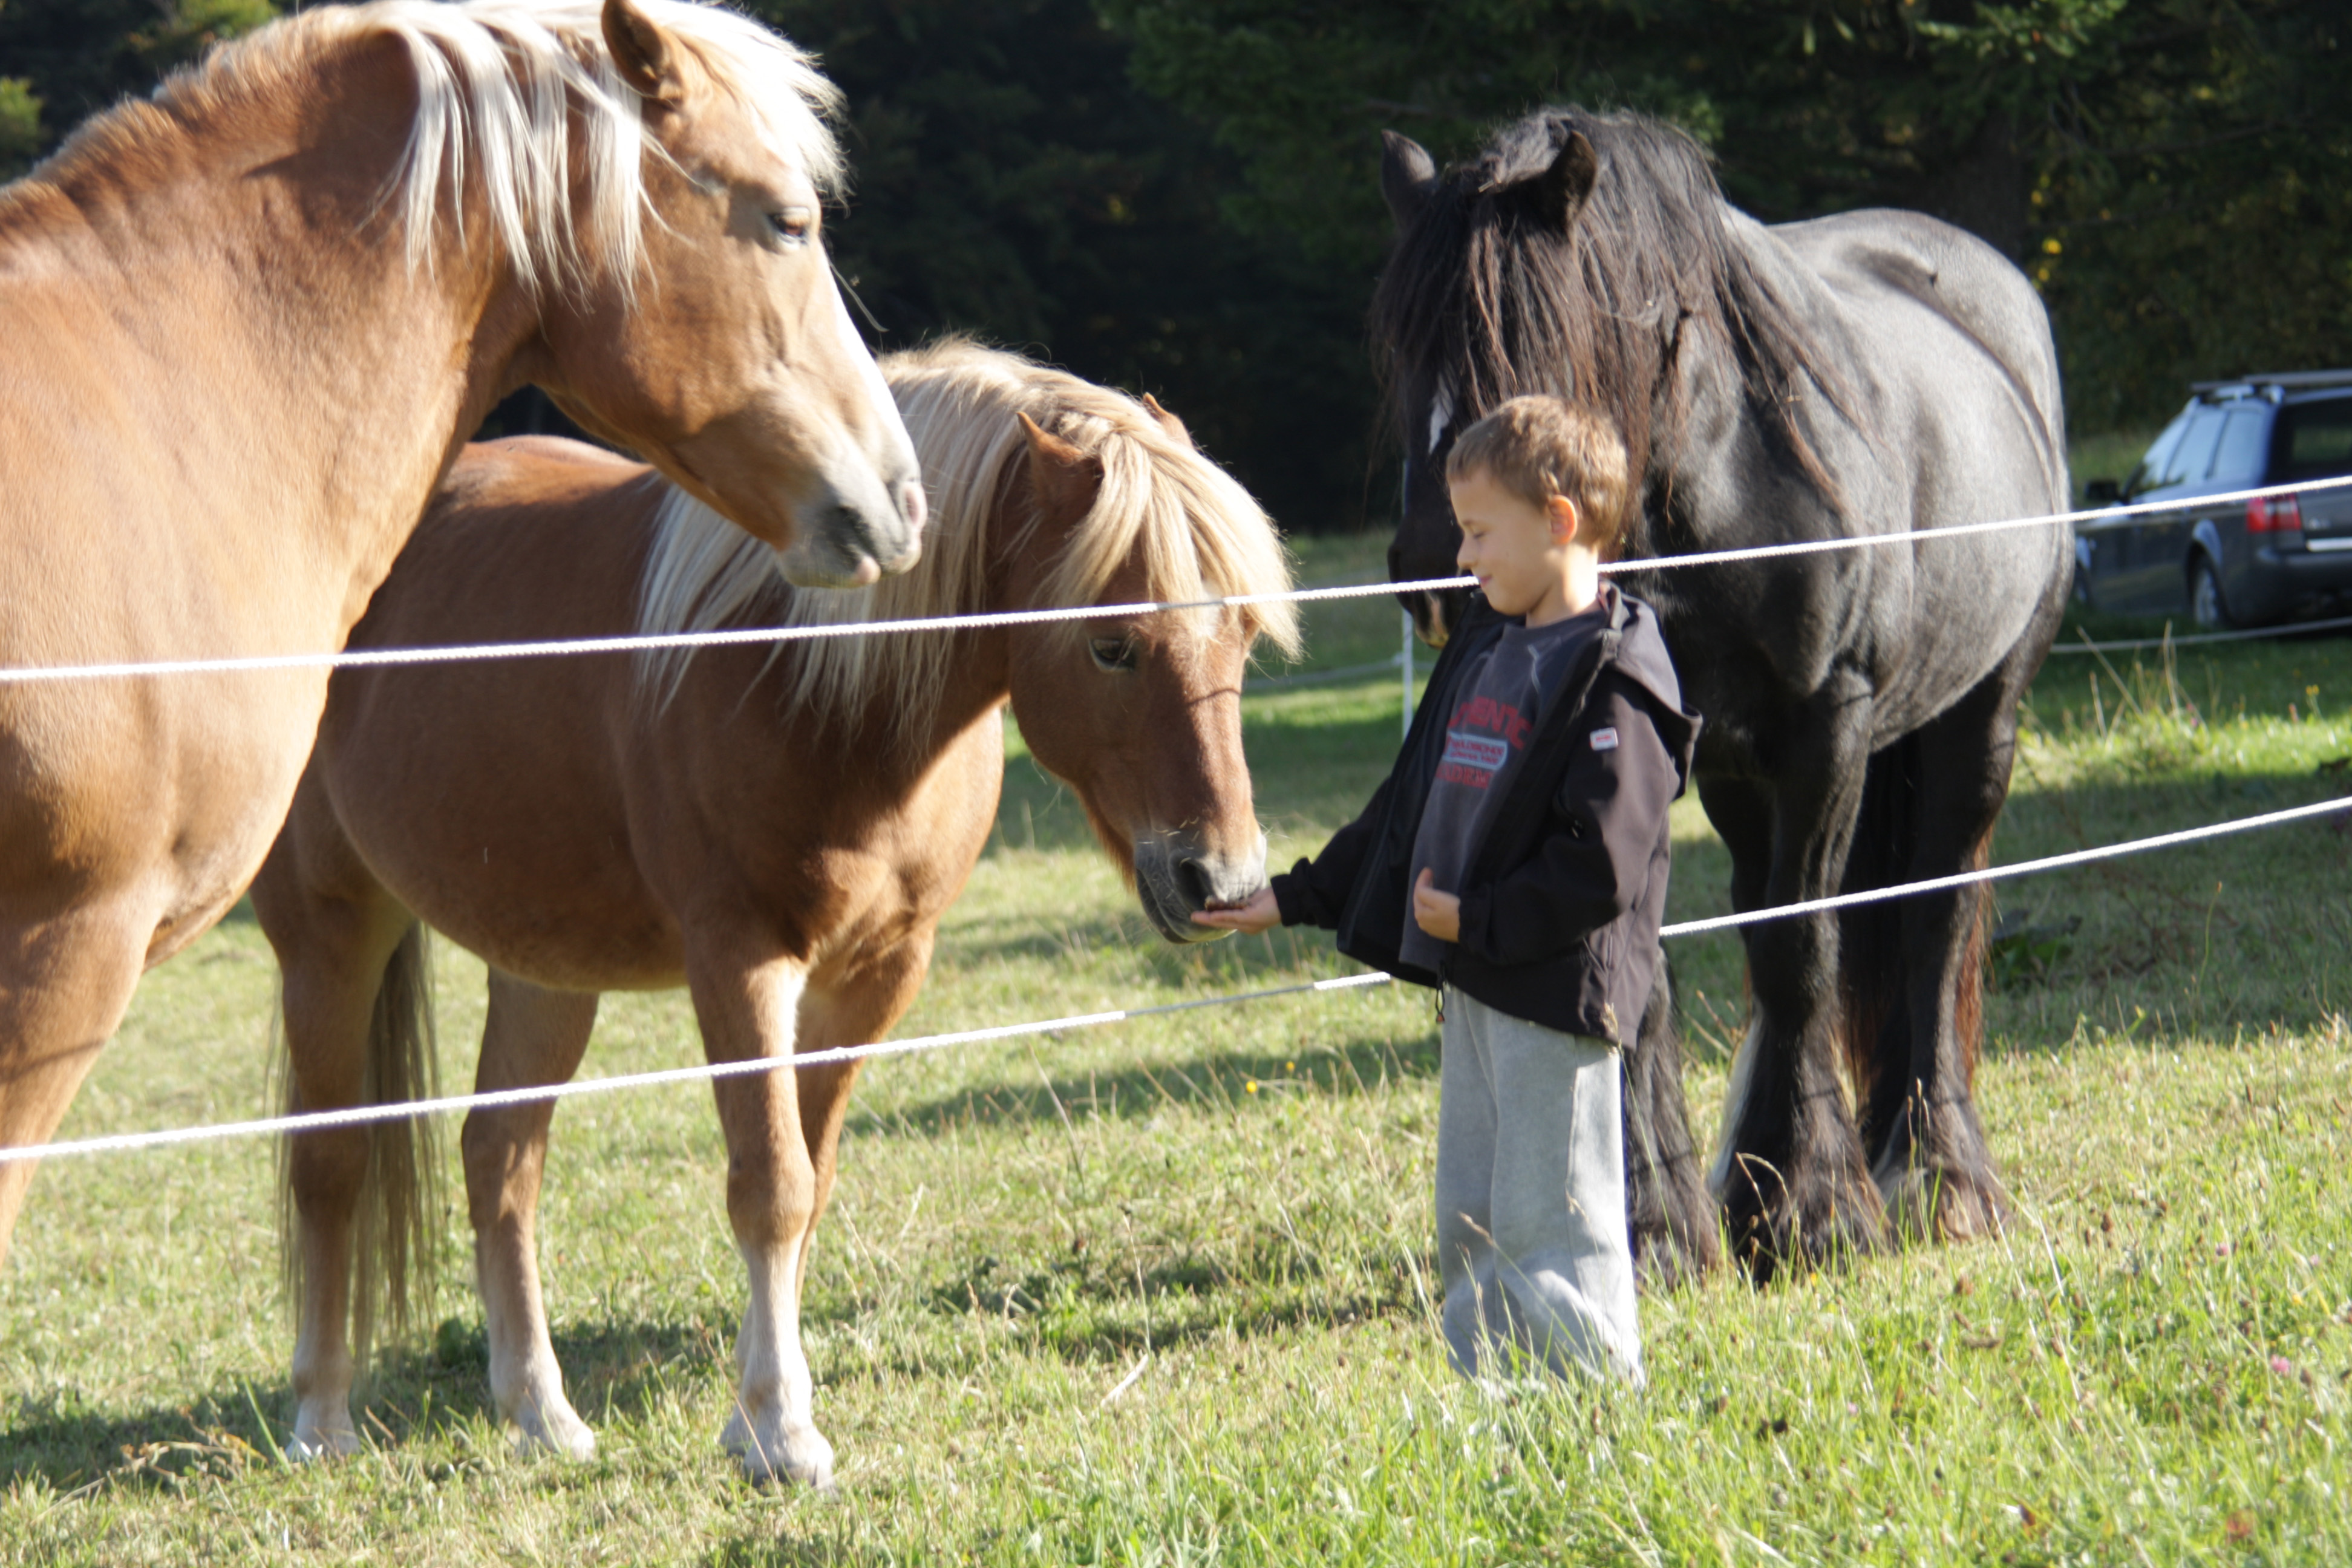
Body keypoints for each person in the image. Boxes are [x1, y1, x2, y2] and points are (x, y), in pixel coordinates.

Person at [1195, 395, 1698, 1386]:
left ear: (1559, 522)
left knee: (1552, 1214)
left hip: (1552, 994)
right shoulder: (1487, 647)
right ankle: (1495, 1392)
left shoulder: (1618, 678)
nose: (1462, 558)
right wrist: (1295, 897)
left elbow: (1601, 864)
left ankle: (1591, 1403)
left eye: (1478, 533)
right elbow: (1409, 809)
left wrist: (1479, 919)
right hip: (1475, 984)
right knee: (1471, 1213)